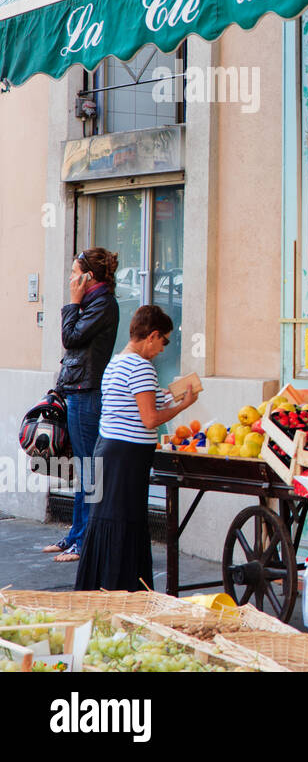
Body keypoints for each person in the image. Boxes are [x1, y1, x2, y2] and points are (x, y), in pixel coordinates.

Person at [76, 305, 195, 593]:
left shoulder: (116, 362)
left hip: (107, 450)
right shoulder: (142, 367)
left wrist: (165, 396)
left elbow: (128, 406)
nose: (162, 349)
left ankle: (99, 589)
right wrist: (182, 406)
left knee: (105, 521)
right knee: (125, 523)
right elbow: (150, 418)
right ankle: (123, 591)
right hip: (126, 458)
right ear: (152, 336)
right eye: (164, 341)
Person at [45, 248, 120, 563]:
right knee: (81, 467)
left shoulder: (101, 304)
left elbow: (70, 337)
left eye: (76, 273)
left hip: (88, 392)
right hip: (76, 389)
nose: (71, 279)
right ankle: (76, 535)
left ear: (90, 277)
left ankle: (85, 541)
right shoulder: (94, 302)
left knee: (90, 468)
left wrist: (73, 302)